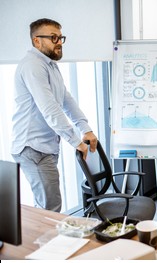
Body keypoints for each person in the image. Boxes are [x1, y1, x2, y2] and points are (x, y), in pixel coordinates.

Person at [11, 18, 97, 212]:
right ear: (36, 41)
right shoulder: (33, 65)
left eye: (60, 37)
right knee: (49, 209)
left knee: (47, 207)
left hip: (44, 146)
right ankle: (42, 243)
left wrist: (86, 129)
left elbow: (66, 100)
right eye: (53, 37)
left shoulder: (49, 65)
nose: (59, 42)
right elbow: (49, 108)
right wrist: (76, 141)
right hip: (33, 147)